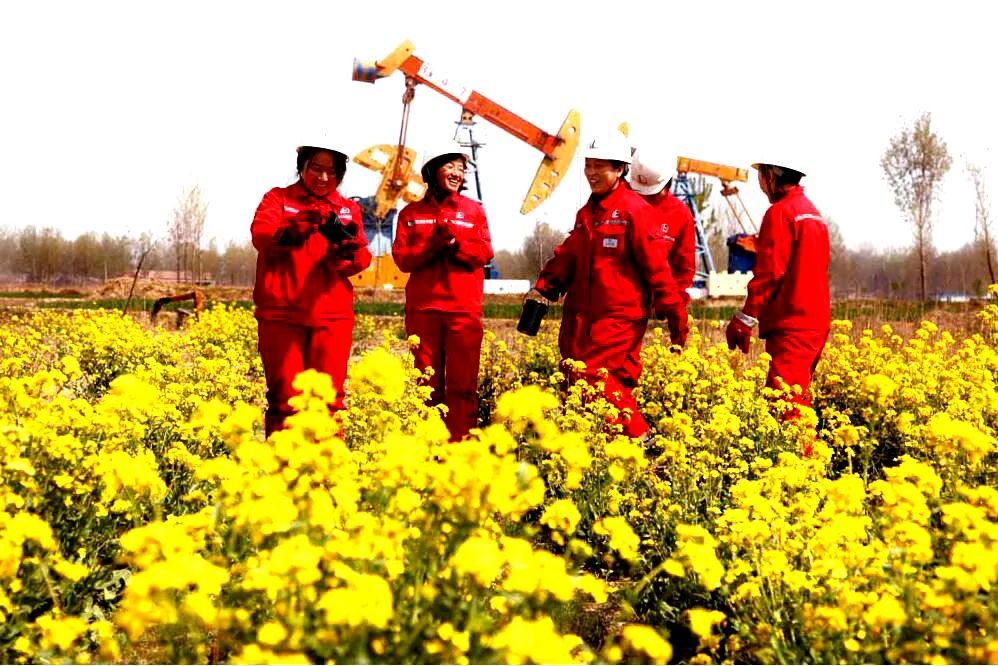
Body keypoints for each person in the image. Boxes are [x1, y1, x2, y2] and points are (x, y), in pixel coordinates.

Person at [530, 134, 688, 439]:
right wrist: (545, 287)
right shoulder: (587, 214)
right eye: (588, 166)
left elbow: (658, 267)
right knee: (587, 382)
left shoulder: (635, 211)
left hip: (618, 317)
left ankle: (643, 439)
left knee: (593, 377)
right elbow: (568, 256)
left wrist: (675, 315)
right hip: (580, 316)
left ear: (620, 170)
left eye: (599, 166)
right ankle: (610, 456)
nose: (591, 173)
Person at [251, 139, 372, 436]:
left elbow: (362, 256)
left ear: (340, 175)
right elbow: (261, 235)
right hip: (282, 314)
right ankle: (282, 473)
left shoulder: (347, 209)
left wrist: (345, 254)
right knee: (285, 400)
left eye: (331, 172)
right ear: (301, 168)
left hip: (331, 316)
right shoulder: (278, 199)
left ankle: (327, 475)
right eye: (315, 168)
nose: (322, 177)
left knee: (327, 401)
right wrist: (294, 228)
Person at [392, 146, 494, 441]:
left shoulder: (474, 211)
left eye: (461, 169)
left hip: (463, 312)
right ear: (431, 172)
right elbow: (403, 259)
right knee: (426, 386)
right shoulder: (410, 214)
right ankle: (430, 449)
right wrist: (432, 248)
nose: (458, 173)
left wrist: (455, 245)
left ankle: (460, 449)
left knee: (462, 388)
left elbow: (484, 252)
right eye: (451, 166)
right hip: (423, 312)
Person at [725, 156, 830, 418]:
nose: (761, 184)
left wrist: (745, 319)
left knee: (788, 411)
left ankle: (806, 459)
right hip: (814, 323)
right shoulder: (813, 214)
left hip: (792, 326)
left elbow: (769, 272)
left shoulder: (780, 213)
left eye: (761, 176)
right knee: (794, 402)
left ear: (771, 176)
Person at [630, 146, 697, 305]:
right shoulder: (621, 204)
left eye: (652, 192)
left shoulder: (680, 214)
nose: (646, 197)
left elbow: (684, 268)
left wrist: (671, 302)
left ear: (668, 180)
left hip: (660, 303)